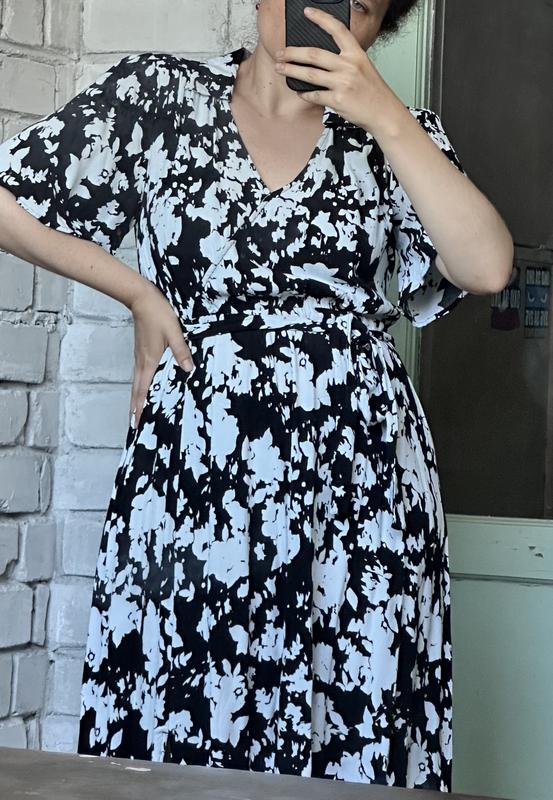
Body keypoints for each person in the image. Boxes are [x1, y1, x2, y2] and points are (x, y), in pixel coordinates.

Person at [0, 0, 513, 791]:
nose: (324, 13)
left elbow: (485, 266)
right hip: (197, 467)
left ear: (379, 28)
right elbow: (10, 198)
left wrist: (384, 115)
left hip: (359, 477)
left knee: (350, 696)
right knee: (183, 691)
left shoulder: (397, 135)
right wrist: (137, 292)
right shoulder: (159, 96)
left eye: (358, 6)